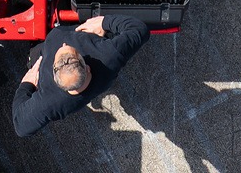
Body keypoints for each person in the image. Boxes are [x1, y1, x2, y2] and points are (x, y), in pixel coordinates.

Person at [12, 14, 150, 136]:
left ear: (54, 76)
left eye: (61, 49)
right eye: (71, 50)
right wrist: (103, 22)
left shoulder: (50, 103)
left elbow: (20, 126)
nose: (64, 44)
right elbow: (139, 28)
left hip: (42, 47)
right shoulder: (108, 56)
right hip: (77, 27)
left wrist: (26, 85)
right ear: (87, 68)